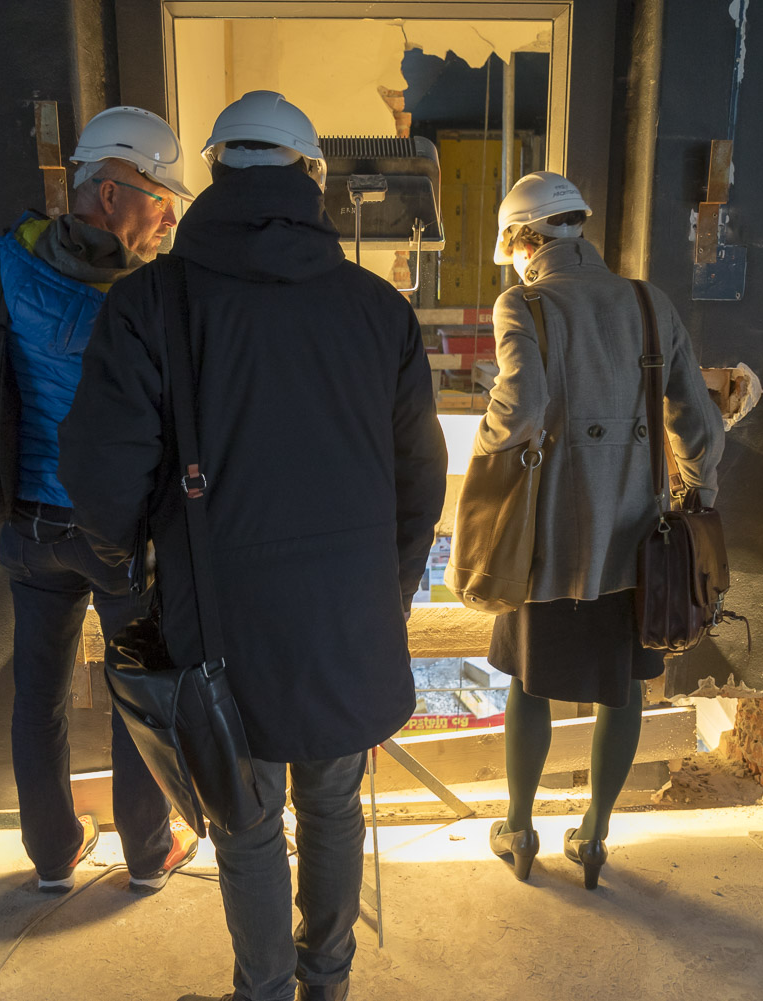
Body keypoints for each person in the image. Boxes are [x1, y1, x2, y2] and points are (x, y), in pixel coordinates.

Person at [58, 90, 447, 1001]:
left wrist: (127, 575)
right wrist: (386, 593)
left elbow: (105, 474)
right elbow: (419, 481)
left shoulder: (151, 303)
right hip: (348, 613)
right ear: (312, 177)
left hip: (219, 612)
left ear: (213, 173)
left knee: (247, 819)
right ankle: (329, 983)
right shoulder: (378, 309)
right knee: (334, 801)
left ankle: (264, 991)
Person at [0, 106, 200, 895]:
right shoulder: (148, 294)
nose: (168, 219)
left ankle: (53, 855)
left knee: (39, 694)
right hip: (120, 530)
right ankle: (147, 852)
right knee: (138, 691)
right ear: (112, 191)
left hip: (27, 525)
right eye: (161, 199)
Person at [477, 171, 724, 889]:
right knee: (625, 688)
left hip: (548, 538)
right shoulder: (649, 303)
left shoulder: (522, 303)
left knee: (529, 684)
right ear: (577, 228)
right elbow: (698, 421)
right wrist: (700, 491)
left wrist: (486, 456)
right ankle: (593, 836)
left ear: (522, 241)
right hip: (636, 540)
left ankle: (519, 828)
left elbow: (519, 407)